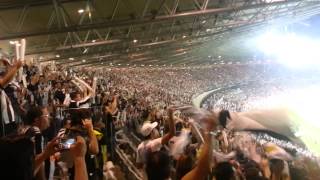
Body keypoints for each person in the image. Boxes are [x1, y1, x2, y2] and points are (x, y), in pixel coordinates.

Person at [19, 106, 51, 180]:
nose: (49, 118)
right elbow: (39, 159)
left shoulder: (24, 129)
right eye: (46, 116)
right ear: (36, 120)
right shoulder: (35, 132)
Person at [0, 59, 22, 137]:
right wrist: (15, 67)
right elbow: (3, 82)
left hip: (8, 121)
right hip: (4, 122)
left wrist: (12, 67)